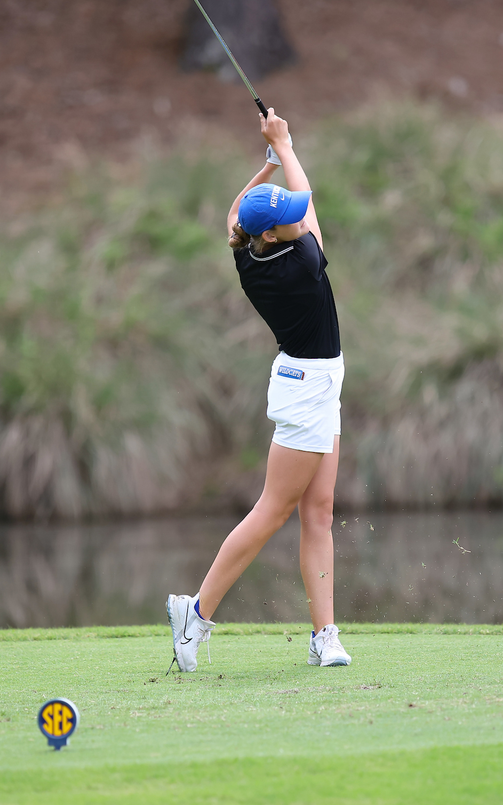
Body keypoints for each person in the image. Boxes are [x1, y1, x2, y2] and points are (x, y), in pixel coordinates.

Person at [167, 109, 351, 672]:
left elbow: (234, 215)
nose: (299, 217)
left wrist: (263, 166)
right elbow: (306, 205)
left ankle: (325, 636)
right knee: (273, 511)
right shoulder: (302, 263)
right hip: (308, 388)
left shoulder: (251, 251)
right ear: (275, 233)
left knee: (318, 512)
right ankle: (195, 614)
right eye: (289, 218)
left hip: (313, 380)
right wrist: (285, 147)